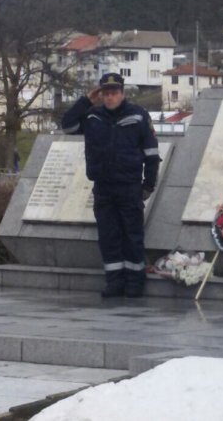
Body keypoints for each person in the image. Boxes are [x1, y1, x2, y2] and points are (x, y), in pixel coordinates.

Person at [61, 73, 161, 298]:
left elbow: (152, 153)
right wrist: (87, 100)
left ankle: (135, 282)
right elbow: (67, 125)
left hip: (129, 186)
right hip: (103, 187)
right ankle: (114, 282)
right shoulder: (92, 116)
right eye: (106, 93)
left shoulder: (138, 115)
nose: (110, 97)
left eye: (114, 93)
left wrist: (149, 184)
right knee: (109, 236)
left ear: (122, 93)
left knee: (132, 235)